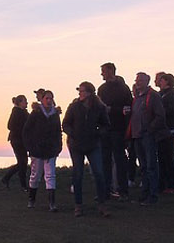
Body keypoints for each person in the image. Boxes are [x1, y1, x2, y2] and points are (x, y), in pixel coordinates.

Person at [64, 81, 111, 217]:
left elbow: (106, 125)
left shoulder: (99, 108)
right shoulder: (74, 107)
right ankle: (78, 206)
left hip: (93, 145)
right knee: (78, 175)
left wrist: (97, 133)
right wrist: (73, 134)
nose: (80, 93)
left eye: (82, 91)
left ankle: (102, 205)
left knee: (99, 174)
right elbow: (65, 124)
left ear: (89, 93)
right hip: (76, 145)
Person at [129, 72, 166, 206]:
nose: (137, 82)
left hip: (147, 136)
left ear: (147, 81)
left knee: (150, 166)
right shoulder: (137, 97)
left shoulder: (153, 96)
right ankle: (145, 194)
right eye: (136, 80)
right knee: (144, 167)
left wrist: (149, 129)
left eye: (140, 80)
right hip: (137, 135)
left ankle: (153, 195)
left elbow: (160, 116)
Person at [98, 63, 133, 200]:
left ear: (111, 71)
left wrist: (112, 110)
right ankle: (106, 190)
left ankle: (123, 191)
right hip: (104, 129)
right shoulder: (102, 89)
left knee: (119, 159)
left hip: (118, 128)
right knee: (105, 160)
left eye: (103, 71)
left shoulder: (123, 88)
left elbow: (128, 108)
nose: (102, 74)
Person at [24, 89, 63, 212]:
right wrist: (30, 147)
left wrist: (58, 146)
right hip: (37, 150)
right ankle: (31, 199)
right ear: (42, 99)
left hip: (51, 150)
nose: (49, 100)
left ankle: (52, 203)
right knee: (35, 175)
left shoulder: (55, 115)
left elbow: (58, 132)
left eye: (51, 98)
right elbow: (27, 130)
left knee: (50, 175)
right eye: (47, 98)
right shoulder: (35, 113)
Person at [156, 72, 174, 193]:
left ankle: (171, 184)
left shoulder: (171, 94)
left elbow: (171, 111)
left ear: (167, 81)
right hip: (163, 129)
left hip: (169, 130)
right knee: (164, 157)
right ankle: (164, 183)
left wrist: (158, 113)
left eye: (161, 80)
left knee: (168, 157)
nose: (159, 82)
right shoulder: (163, 94)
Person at [0, 95, 31, 190]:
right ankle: (22, 184)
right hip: (17, 140)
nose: (27, 103)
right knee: (22, 162)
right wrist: (22, 131)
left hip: (22, 140)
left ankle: (7, 178)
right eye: (25, 101)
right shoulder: (16, 112)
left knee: (22, 162)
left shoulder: (24, 112)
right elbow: (10, 126)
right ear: (20, 102)